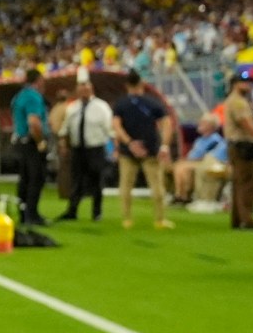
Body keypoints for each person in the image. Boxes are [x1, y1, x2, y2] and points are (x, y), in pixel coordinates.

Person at [112, 69, 175, 230]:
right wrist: (165, 146)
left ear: (127, 86)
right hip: (150, 148)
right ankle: (159, 220)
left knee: (126, 185)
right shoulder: (153, 103)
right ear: (142, 84)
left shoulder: (120, 104)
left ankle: (127, 219)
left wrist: (129, 143)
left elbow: (116, 126)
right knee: (156, 185)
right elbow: (167, 125)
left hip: (128, 150)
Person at [54, 77, 113, 222]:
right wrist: (63, 144)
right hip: (78, 148)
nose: (83, 91)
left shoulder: (102, 107)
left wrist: (113, 147)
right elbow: (65, 128)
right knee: (76, 180)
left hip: (95, 148)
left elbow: (109, 129)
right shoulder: (73, 108)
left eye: (86, 87)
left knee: (96, 181)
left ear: (91, 89)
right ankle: (72, 210)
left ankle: (97, 213)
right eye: (80, 88)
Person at [222, 68, 253, 231]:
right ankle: (247, 220)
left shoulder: (237, 100)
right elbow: (246, 124)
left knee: (238, 183)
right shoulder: (238, 101)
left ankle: (237, 219)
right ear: (236, 84)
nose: (249, 85)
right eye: (245, 82)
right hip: (242, 145)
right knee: (246, 184)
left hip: (236, 146)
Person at [10, 69, 51, 226]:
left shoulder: (19, 96)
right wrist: (40, 141)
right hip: (31, 142)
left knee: (25, 178)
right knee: (36, 177)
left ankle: (23, 211)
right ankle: (31, 214)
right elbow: (33, 122)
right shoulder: (33, 96)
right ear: (39, 80)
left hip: (20, 141)